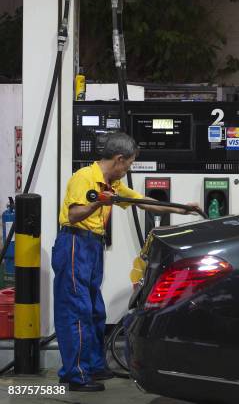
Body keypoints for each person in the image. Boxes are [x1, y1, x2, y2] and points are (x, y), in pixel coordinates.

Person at [52, 132, 200, 392]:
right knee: (77, 309)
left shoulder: (113, 184)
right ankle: (75, 375)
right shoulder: (84, 177)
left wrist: (181, 209)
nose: (129, 168)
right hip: (75, 243)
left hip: (93, 246)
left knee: (96, 310)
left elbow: (144, 202)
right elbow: (74, 214)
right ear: (119, 160)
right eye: (129, 164)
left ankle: (94, 365)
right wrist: (98, 202)